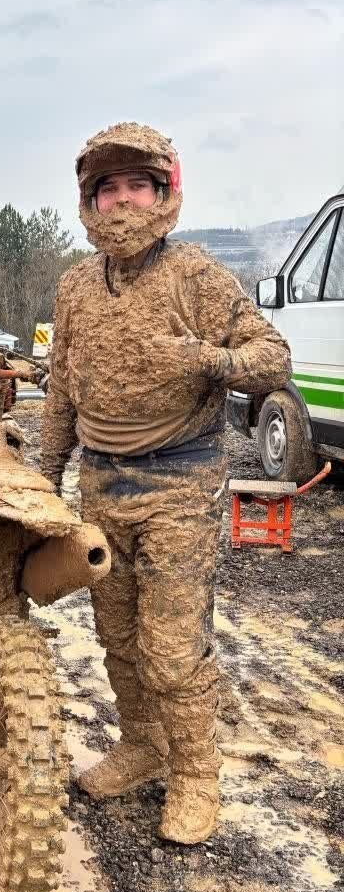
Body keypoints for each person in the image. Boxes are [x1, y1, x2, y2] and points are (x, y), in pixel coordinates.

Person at [40, 123, 290, 843]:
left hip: (180, 479)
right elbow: (61, 388)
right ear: (89, 200)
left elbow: (272, 357)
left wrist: (205, 359)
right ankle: (142, 747)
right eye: (107, 189)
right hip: (101, 479)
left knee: (173, 646)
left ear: (164, 193)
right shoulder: (76, 286)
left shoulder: (196, 275)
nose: (122, 202)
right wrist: (45, 478)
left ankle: (195, 776)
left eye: (137, 187)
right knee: (117, 632)